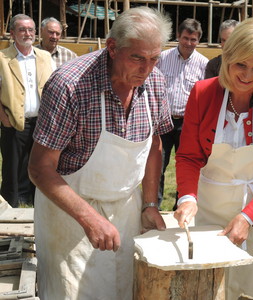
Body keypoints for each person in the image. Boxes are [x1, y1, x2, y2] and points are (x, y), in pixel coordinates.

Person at [28, 7, 173, 299]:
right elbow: (40, 168)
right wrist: (90, 218)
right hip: (71, 216)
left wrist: (149, 204)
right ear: (112, 47)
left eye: (154, 58)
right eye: (137, 58)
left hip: (128, 211)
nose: (146, 69)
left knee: (125, 289)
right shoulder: (70, 85)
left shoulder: (155, 82)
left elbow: (154, 146)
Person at [174, 17, 253, 299]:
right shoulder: (202, 93)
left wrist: (248, 216)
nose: (246, 75)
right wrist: (187, 197)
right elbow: (189, 156)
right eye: (240, 64)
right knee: (211, 286)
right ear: (228, 56)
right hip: (211, 208)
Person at [0, 14, 54, 208]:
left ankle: (37, 204)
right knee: (11, 170)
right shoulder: (2, 58)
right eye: (22, 29)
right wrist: (3, 117)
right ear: (12, 33)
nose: (27, 33)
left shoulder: (45, 57)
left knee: (40, 166)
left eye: (31, 29)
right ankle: (8, 209)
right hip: (13, 122)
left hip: (41, 123)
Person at [156, 18, 208, 208]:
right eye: (185, 38)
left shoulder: (204, 64)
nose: (188, 43)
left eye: (193, 39)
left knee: (186, 167)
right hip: (162, 121)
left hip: (188, 124)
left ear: (198, 40)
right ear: (178, 36)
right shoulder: (162, 58)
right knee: (157, 166)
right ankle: (154, 206)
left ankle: (182, 207)